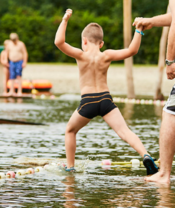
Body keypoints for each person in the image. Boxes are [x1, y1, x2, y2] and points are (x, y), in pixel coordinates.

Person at [54, 9, 158, 174]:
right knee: (124, 131)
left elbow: (59, 42)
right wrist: (138, 30)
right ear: (101, 44)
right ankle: (145, 155)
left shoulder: (81, 55)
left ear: (84, 41)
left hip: (88, 101)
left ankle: (70, 167)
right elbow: (132, 50)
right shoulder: (106, 55)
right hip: (105, 100)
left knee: (70, 130)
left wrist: (65, 20)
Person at [133, 0, 175, 184]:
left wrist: (170, 61)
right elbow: (170, 19)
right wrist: (151, 21)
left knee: (170, 113)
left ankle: (165, 174)